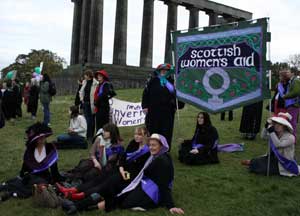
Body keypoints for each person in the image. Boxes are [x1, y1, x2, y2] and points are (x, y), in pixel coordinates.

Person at [59, 127, 150, 213]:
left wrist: (123, 172)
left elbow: (139, 170)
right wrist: (121, 168)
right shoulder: (133, 143)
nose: (136, 136)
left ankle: (80, 197)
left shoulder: (147, 151)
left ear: (145, 135)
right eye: (135, 134)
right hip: (121, 169)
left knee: (105, 184)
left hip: (128, 176)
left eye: (140, 134)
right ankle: (74, 190)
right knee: (99, 178)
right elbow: (123, 158)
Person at [0, 122, 64, 202]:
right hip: (31, 175)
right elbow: (26, 164)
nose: (42, 139)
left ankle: (9, 193)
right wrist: (22, 174)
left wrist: (58, 180)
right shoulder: (30, 150)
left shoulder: (50, 149)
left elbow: (54, 170)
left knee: (32, 188)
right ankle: (6, 188)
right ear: (35, 139)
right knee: (21, 181)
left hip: (44, 178)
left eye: (43, 137)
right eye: (39, 138)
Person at [242, 112, 299, 176]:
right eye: (276, 124)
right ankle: (252, 163)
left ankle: (251, 164)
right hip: (272, 158)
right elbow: (263, 137)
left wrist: (271, 132)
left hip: (283, 163)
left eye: (280, 124)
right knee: (256, 161)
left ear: (285, 127)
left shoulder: (290, 137)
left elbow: (278, 145)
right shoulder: (275, 133)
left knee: (263, 170)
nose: (277, 126)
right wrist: (266, 127)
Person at [142, 63, 184, 150]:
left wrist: (177, 92)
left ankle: (165, 149)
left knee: (166, 131)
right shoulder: (153, 81)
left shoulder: (173, 82)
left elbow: (179, 98)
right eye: (162, 70)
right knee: (153, 130)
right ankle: (152, 148)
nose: (164, 72)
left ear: (169, 72)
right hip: (153, 111)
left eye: (166, 70)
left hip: (167, 112)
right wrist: (145, 106)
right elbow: (145, 94)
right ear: (159, 71)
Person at [79, 70, 98, 142]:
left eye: (85, 75)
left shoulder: (95, 83)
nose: (84, 76)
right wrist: (82, 99)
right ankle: (87, 135)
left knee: (92, 120)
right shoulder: (84, 82)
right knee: (87, 119)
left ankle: (91, 135)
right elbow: (81, 91)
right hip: (85, 103)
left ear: (88, 75)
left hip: (92, 104)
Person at [282, 68, 300, 138]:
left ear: (292, 73)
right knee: (291, 121)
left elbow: (296, 92)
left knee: (292, 122)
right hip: (291, 104)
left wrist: (285, 96)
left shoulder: (296, 81)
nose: (286, 73)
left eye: (288, 72)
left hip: (294, 104)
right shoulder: (292, 81)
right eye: (286, 72)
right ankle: (291, 138)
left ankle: (293, 139)